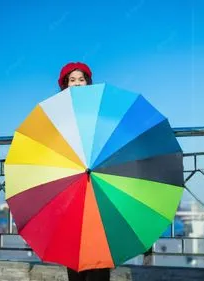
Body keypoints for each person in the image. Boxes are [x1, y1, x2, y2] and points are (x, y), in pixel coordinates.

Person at [57, 61, 111, 281]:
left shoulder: (99, 110)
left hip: (98, 178)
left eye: (82, 79)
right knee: (73, 242)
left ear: (88, 83)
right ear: (65, 85)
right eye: (72, 80)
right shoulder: (58, 115)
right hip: (70, 182)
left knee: (98, 239)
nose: (77, 84)